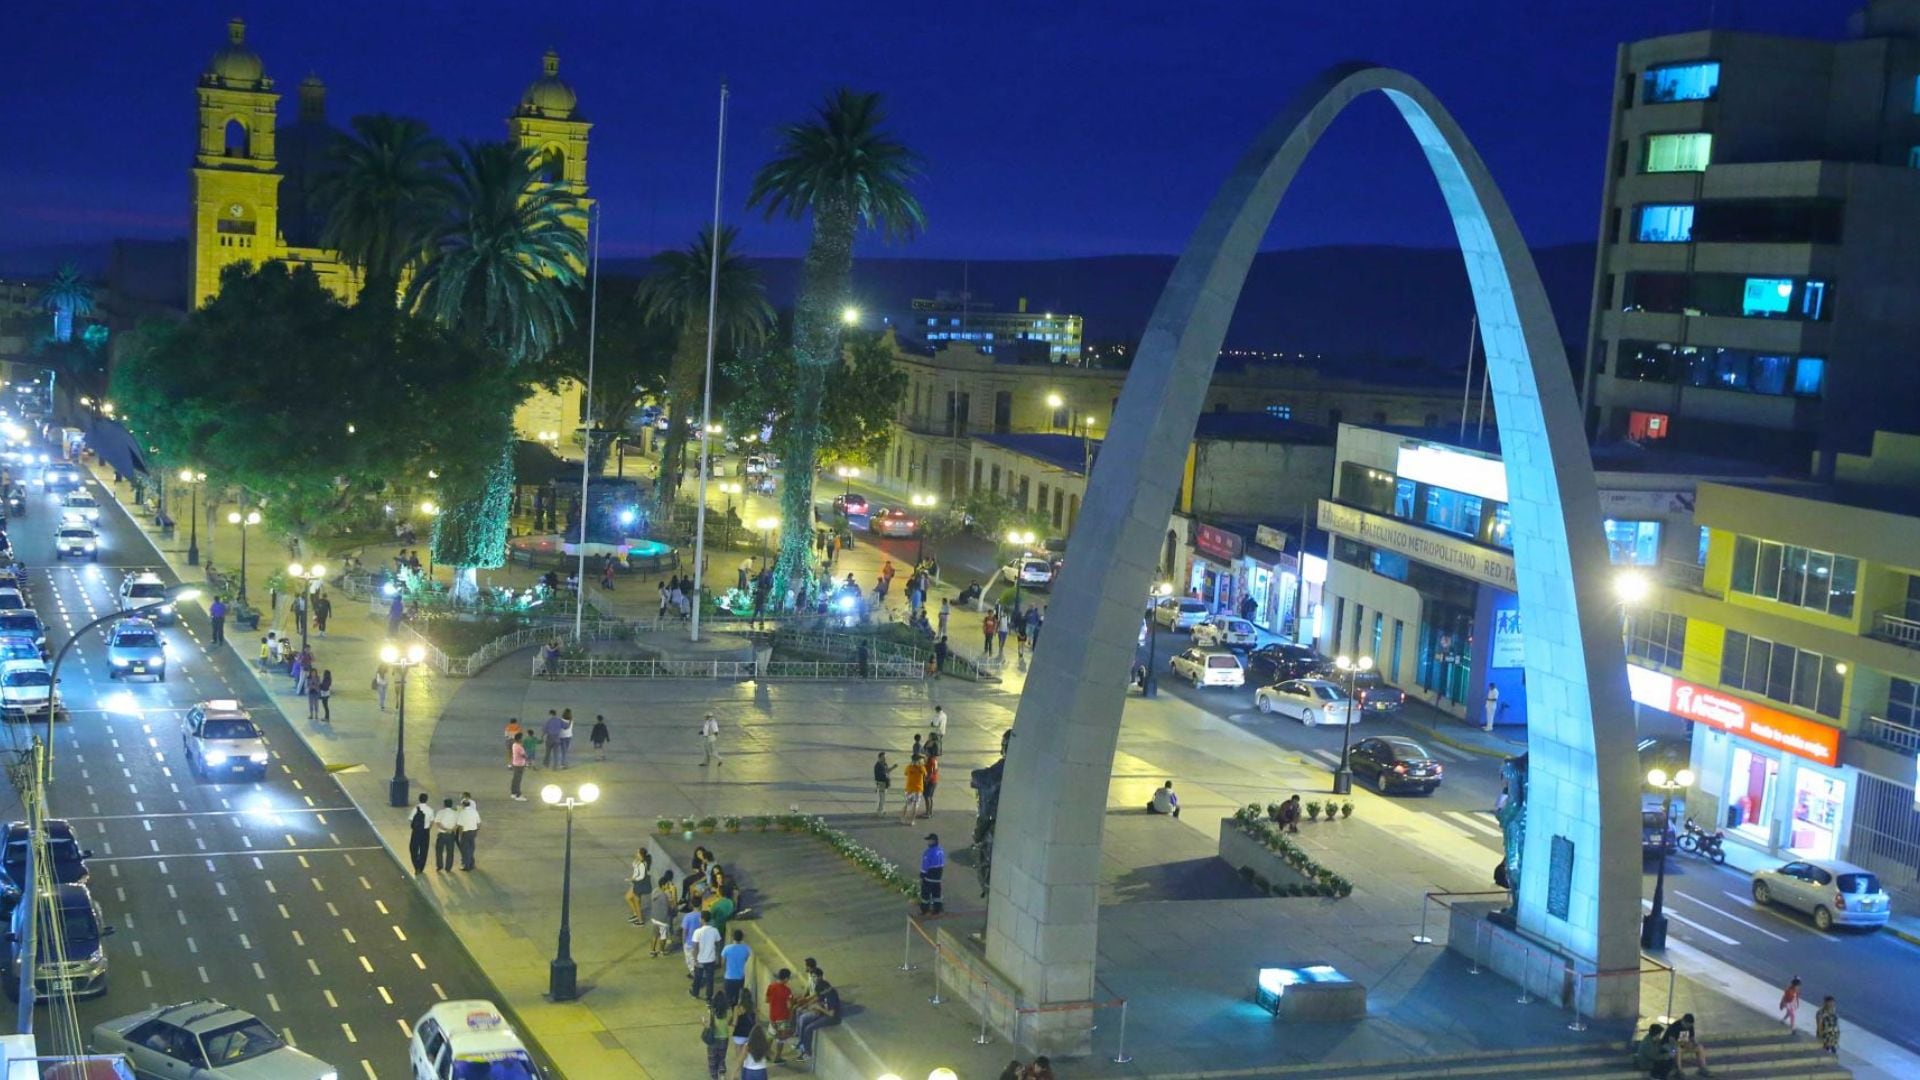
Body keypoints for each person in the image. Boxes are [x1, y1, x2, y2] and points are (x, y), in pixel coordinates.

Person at [792, 972, 841, 1060]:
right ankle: (802, 1043)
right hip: (823, 1012)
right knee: (803, 1019)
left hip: (831, 1018)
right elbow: (819, 999)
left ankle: (808, 1053)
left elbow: (831, 1014)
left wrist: (819, 1008)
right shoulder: (825, 992)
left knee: (809, 1028)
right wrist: (812, 1006)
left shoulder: (832, 996)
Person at [765, 968, 795, 1064]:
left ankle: (765, 1052)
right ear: (786, 978)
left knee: (770, 1035)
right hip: (783, 1018)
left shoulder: (771, 986)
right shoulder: (787, 990)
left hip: (772, 1017)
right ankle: (778, 1057)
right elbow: (789, 1006)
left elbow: (767, 1000)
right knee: (781, 1039)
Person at [690, 910, 723, 1000]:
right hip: (711, 959)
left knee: (698, 978)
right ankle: (709, 996)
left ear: (702, 919)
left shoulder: (697, 932)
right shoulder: (714, 930)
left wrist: (695, 958)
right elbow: (718, 944)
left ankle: (695, 993)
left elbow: (695, 947)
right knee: (710, 979)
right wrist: (717, 956)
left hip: (700, 959)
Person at [648, 870, 678, 958]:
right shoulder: (665, 896)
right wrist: (673, 893)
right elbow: (672, 906)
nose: (668, 886)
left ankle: (652, 951)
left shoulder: (655, 891)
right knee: (663, 936)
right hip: (663, 919)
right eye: (667, 884)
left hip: (655, 917)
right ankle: (661, 950)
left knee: (654, 934)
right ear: (663, 885)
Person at [701, 994, 730, 1080]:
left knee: (713, 1060)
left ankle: (714, 1077)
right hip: (724, 1038)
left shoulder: (711, 1012)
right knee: (722, 1057)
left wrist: (703, 1021)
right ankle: (722, 1075)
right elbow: (729, 1022)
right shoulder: (728, 1012)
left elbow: (708, 1025)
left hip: (713, 1039)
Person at [720, 929, 751, 1006]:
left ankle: (729, 1014)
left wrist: (725, 970)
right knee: (738, 999)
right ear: (742, 938)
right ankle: (736, 1014)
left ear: (732, 937)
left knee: (728, 998)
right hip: (740, 978)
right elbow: (746, 959)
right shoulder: (746, 949)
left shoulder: (727, 948)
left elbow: (722, 963)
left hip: (729, 977)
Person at [919, 832, 945, 915]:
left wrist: (922, 875)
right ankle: (938, 909)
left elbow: (925, 865)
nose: (928, 842)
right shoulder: (941, 850)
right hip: (938, 877)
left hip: (929, 876)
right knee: (937, 894)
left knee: (925, 895)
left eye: (929, 840)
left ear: (933, 841)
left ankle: (925, 910)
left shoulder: (928, 852)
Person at [406, 793, 432, 875]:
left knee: (413, 848)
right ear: (426, 799)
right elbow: (432, 821)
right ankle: (421, 867)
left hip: (416, 831)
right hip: (425, 831)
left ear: (419, 799)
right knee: (424, 850)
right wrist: (428, 829)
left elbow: (410, 819)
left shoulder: (415, 809)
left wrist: (415, 826)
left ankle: (416, 865)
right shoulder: (430, 810)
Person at [626, 848, 653, 924]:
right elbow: (634, 866)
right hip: (636, 884)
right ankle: (636, 914)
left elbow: (641, 876)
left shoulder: (642, 864)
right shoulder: (638, 861)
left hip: (639, 884)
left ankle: (640, 921)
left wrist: (632, 879)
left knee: (637, 902)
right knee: (628, 897)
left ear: (641, 855)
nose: (636, 853)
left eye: (637, 852)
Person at [431, 797, 458, 872]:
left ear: (444, 804)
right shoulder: (455, 813)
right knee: (450, 852)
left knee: (439, 851)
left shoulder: (440, 812)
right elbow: (457, 824)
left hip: (442, 834)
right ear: (451, 805)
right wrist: (451, 829)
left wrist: (445, 829)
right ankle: (448, 868)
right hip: (451, 835)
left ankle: (439, 866)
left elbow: (437, 823)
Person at [455, 794, 481, 870]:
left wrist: (460, 835)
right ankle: (471, 864)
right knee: (471, 848)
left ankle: (466, 865)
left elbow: (460, 826)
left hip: (465, 833)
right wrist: (476, 831)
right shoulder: (475, 812)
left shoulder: (462, 813)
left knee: (465, 849)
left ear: (463, 805)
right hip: (473, 832)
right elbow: (479, 823)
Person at [900, 756, 927, 824]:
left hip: (909, 789)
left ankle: (903, 818)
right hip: (918, 789)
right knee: (915, 805)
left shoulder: (909, 767)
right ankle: (912, 821)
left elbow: (905, 773)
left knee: (907, 804)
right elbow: (925, 774)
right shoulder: (921, 767)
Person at [922, 752, 940, 817]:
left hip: (930, 781)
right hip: (935, 780)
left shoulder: (931, 761)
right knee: (930, 797)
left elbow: (930, 772)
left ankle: (927, 813)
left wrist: (926, 780)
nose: (926, 754)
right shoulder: (934, 759)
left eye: (927, 753)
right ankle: (930, 811)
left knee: (927, 797)